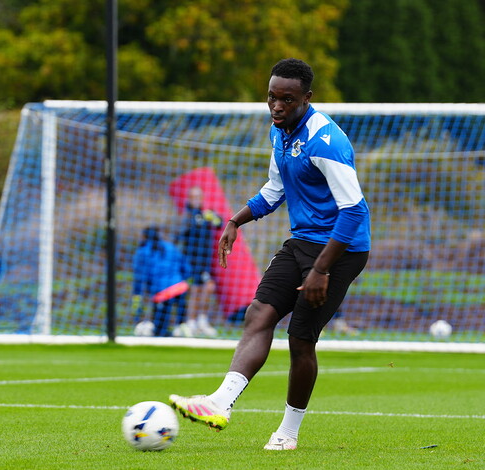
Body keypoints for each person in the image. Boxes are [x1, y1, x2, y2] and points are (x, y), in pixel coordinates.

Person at [167, 58, 370, 450]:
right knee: (258, 313)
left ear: (307, 98)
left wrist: (322, 271)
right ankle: (219, 403)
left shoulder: (326, 141)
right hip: (302, 241)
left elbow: (354, 210)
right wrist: (236, 220)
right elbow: (275, 189)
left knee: (300, 339)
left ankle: (288, 433)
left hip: (339, 249)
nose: (277, 106)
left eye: (287, 100)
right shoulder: (279, 132)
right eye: (272, 97)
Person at [132, 226, 192, 337]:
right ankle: (182, 326)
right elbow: (186, 267)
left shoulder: (143, 252)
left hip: (162, 292)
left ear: (144, 236)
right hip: (180, 288)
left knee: (160, 330)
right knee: (177, 316)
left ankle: (164, 330)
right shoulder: (171, 247)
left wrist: (138, 293)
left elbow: (140, 275)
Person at [179, 185, 223, 337]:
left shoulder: (205, 214)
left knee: (207, 287)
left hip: (205, 259)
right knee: (196, 289)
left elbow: (220, 223)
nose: (197, 200)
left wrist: (212, 217)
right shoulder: (187, 215)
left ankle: (201, 320)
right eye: (194, 197)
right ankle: (191, 322)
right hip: (191, 259)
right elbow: (182, 232)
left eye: (199, 197)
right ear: (189, 198)